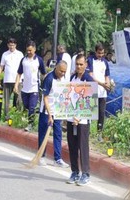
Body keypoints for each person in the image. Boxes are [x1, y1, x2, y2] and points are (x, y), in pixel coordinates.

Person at [66, 54, 94, 185]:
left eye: (81, 64)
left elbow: (89, 101)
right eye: (77, 64)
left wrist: (80, 116)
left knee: (83, 146)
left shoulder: (88, 79)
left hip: (82, 120)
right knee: (72, 145)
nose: (78, 66)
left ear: (86, 65)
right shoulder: (73, 77)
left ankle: (86, 174)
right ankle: (75, 172)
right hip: (72, 118)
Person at [38, 61, 70, 167]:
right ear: (56, 68)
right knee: (43, 134)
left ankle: (57, 159)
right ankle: (41, 156)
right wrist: (50, 115)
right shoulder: (49, 78)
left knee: (58, 134)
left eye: (64, 71)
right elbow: (45, 97)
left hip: (58, 111)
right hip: (46, 111)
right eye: (61, 71)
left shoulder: (64, 79)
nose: (62, 73)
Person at [14, 41, 46, 131]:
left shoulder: (38, 60)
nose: (29, 52)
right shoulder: (23, 60)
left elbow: (44, 74)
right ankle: (32, 119)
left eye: (30, 50)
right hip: (25, 89)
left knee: (32, 107)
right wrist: (16, 85)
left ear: (35, 49)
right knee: (26, 106)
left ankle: (30, 124)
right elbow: (19, 73)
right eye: (27, 50)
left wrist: (47, 84)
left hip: (34, 88)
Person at [0, 38, 24, 120]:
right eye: (10, 45)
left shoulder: (20, 54)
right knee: (6, 101)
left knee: (18, 100)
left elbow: (23, 67)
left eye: (13, 45)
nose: (11, 47)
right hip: (7, 80)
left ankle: (17, 118)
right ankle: (7, 118)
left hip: (18, 81)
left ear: (15, 45)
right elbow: (1, 67)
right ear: (8, 45)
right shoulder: (5, 54)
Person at [87, 43, 111, 140]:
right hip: (92, 90)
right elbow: (90, 76)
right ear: (95, 51)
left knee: (101, 113)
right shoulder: (90, 60)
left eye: (102, 53)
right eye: (99, 53)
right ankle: (87, 132)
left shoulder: (105, 62)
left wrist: (108, 84)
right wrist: (102, 84)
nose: (100, 55)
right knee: (89, 112)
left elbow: (107, 76)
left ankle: (99, 133)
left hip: (102, 93)